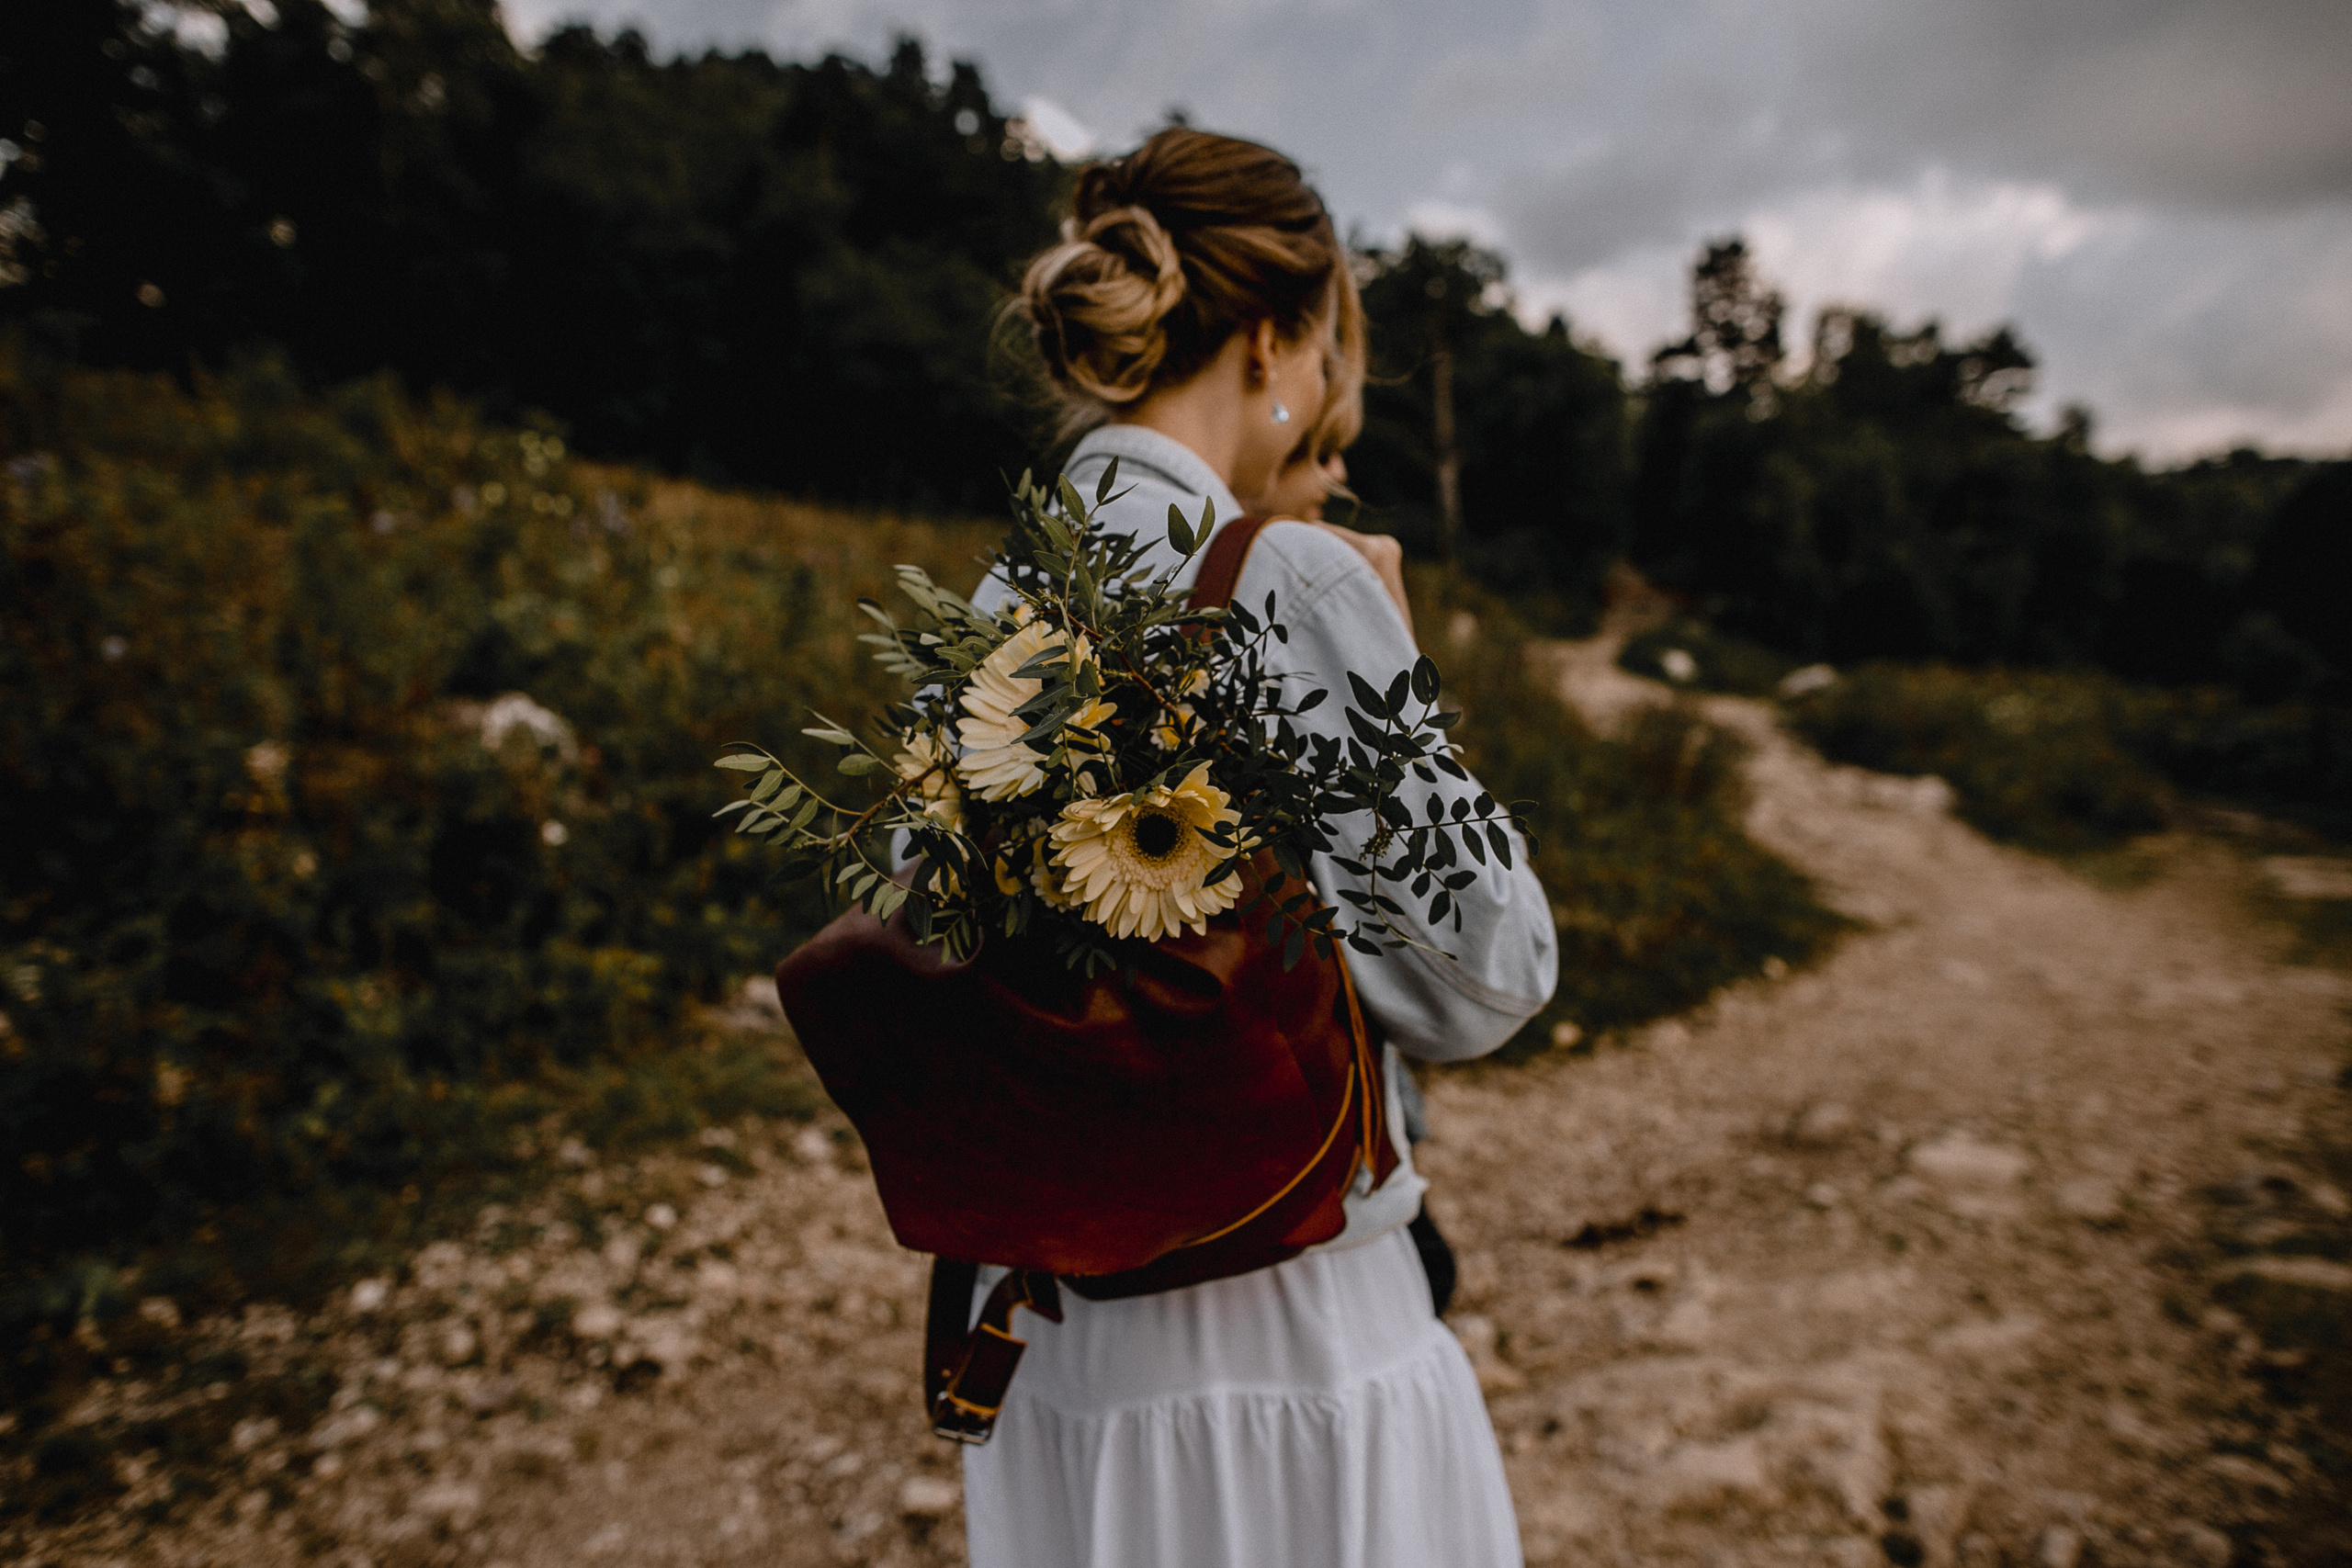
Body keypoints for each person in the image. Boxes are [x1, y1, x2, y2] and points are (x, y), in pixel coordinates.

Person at [961, 126, 1557, 1568]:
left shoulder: (995, 600)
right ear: (1279, 338)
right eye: (1328, 345)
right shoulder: (1287, 574)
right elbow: (1492, 975)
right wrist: (1393, 666)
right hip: (1288, 1341)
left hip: (1055, 1338)